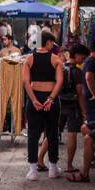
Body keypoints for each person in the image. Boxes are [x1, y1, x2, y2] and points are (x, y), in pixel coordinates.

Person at [23, 30, 64, 181]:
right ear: (47, 43)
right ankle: (53, 168)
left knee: (33, 134)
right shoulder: (56, 60)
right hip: (50, 99)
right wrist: (51, 99)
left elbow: (26, 82)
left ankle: (33, 170)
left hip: (35, 97)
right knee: (52, 133)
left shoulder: (29, 59)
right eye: (52, 43)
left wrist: (33, 100)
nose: (53, 45)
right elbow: (59, 81)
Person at [59, 43, 90, 176]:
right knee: (72, 134)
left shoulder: (61, 67)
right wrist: (84, 111)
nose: (83, 61)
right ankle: (69, 165)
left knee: (53, 132)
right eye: (82, 58)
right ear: (76, 56)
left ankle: (41, 160)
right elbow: (80, 94)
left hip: (59, 103)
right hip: (73, 106)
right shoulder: (77, 72)